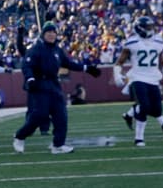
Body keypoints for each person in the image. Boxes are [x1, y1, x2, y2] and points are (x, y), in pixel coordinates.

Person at [12, 21, 102, 155]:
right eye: (48, 32)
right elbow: (27, 66)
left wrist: (87, 68)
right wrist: (30, 79)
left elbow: (68, 64)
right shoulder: (35, 49)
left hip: (53, 84)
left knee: (61, 115)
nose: (51, 35)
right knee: (39, 115)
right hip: (39, 84)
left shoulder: (57, 50)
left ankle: (58, 144)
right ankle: (20, 136)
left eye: (53, 32)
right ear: (43, 34)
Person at [115, 16, 163, 146]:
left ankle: (129, 114)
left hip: (153, 79)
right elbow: (119, 62)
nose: (150, 29)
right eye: (148, 27)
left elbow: (161, 63)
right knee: (144, 106)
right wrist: (117, 75)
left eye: (151, 27)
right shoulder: (131, 43)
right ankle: (139, 138)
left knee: (157, 110)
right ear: (140, 28)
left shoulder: (158, 41)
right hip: (138, 78)